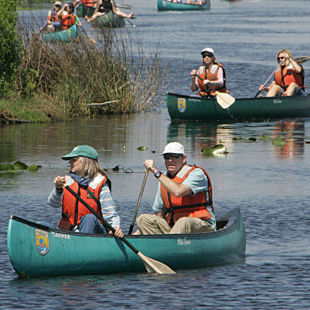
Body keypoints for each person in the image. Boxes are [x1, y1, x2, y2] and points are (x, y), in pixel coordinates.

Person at [135, 142, 216, 235]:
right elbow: (159, 215)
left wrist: (155, 171)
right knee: (143, 219)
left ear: (184, 158)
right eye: (167, 157)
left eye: (175, 156)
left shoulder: (197, 174)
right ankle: (164, 245)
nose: (170, 160)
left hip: (202, 227)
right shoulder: (164, 179)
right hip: (174, 229)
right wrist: (135, 236)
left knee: (183, 222)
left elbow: (178, 191)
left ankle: (167, 246)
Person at [48, 145, 123, 237]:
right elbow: (53, 204)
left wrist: (115, 227)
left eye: (74, 159)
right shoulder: (66, 180)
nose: (69, 162)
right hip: (69, 232)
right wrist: (58, 189)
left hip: (94, 232)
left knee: (89, 218)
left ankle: (83, 245)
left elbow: (110, 213)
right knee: (40, 225)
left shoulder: (99, 182)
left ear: (86, 161)